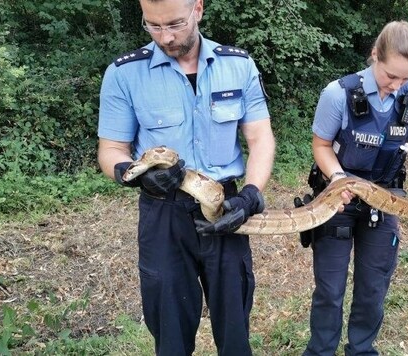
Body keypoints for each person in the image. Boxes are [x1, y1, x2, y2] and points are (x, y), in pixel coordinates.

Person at [96, 0, 275, 354]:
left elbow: (261, 139)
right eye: (154, 26)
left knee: (235, 326)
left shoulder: (237, 66)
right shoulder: (124, 74)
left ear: (198, 8)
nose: (165, 37)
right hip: (163, 212)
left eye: (175, 24)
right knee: (170, 327)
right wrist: (130, 175)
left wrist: (251, 194)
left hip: (226, 206)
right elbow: (111, 150)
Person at [302, 21, 408, 356]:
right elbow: (321, 145)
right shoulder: (338, 93)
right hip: (338, 200)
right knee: (330, 289)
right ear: (375, 54)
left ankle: (361, 350)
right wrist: (338, 179)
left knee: (373, 287)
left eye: (406, 77)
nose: (397, 85)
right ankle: (320, 351)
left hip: (385, 203)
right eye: (391, 75)